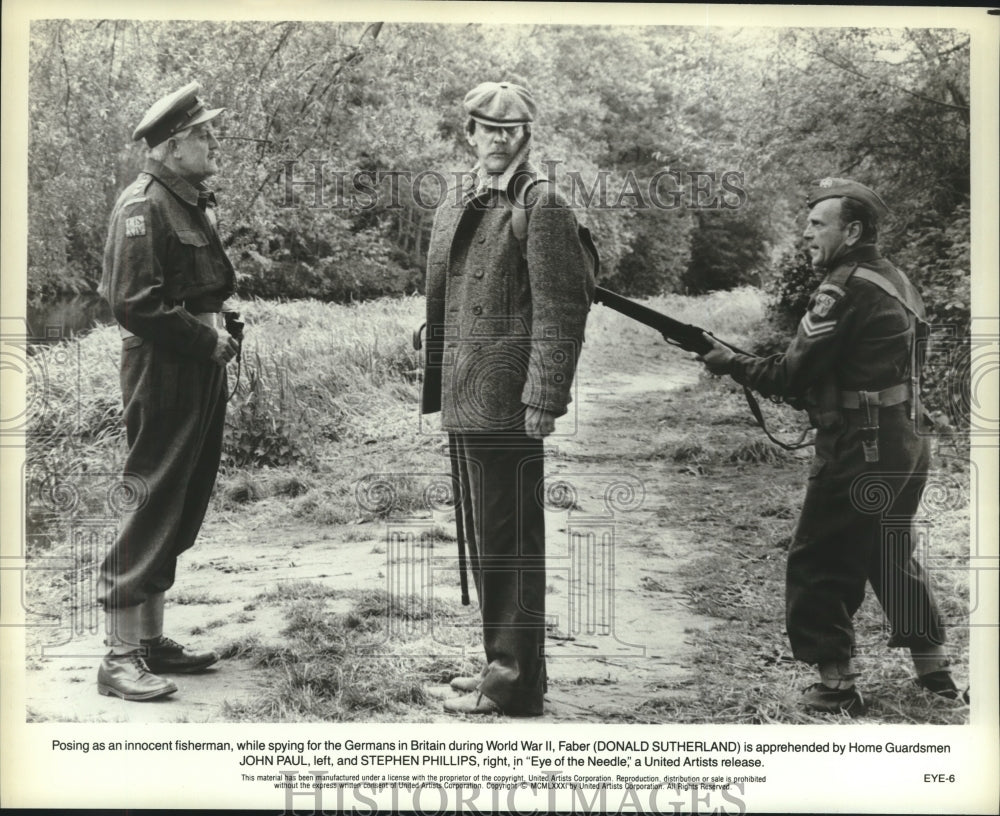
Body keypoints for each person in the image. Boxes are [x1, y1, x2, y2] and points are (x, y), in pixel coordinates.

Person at [698, 178, 966, 714]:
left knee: (819, 557)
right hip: (903, 438)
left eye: (818, 225)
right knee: (889, 553)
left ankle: (836, 687)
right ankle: (936, 674)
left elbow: (792, 375)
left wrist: (728, 362)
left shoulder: (844, 288)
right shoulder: (891, 278)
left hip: (861, 447)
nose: (806, 235)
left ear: (854, 230)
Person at [421, 81, 593, 716]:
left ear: (527, 135)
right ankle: (502, 668)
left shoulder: (541, 202)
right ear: (468, 132)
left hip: (511, 402)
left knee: (511, 541)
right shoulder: (458, 198)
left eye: (510, 130)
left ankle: (513, 681)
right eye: (486, 129)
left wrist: (546, 395)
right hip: (467, 394)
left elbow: (560, 309)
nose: (498, 140)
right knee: (489, 538)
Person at [96, 81, 238, 700]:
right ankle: (119, 656)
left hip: (195, 364)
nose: (212, 142)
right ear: (175, 145)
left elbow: (193, 284)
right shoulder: (144, 204)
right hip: (164, 367)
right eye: (204, 134)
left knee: (181, 496)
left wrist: (217, 326)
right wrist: (204, 339)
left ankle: (149, 642)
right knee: (152, 495)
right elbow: (133, 303)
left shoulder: (186, 199)